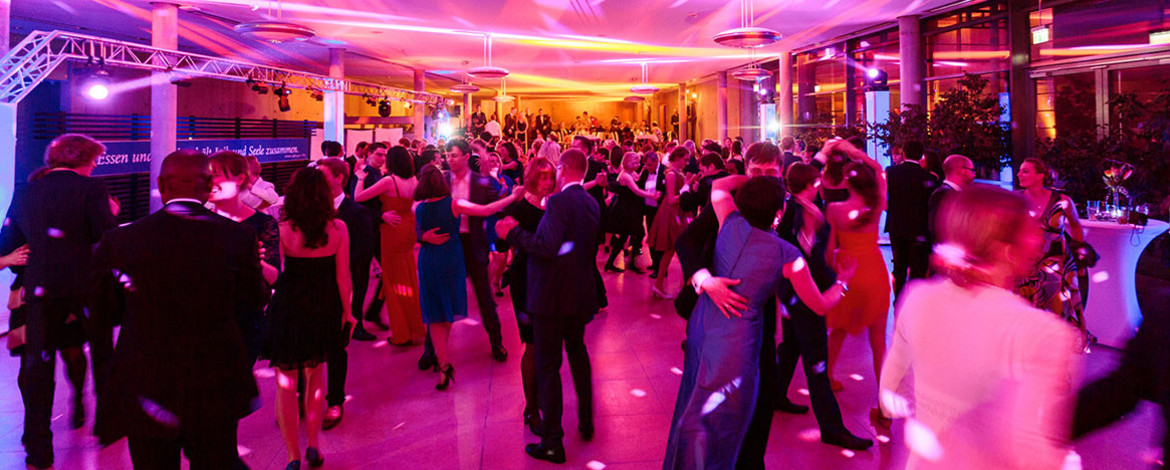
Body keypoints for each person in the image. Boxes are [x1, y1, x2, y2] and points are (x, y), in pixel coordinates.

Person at [89, 149, 270, 470]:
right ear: (208, 186)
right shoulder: (236, 236)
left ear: (161, 184)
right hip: (214, 376)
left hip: (147, 378)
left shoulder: (120, 239)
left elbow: (104, 312)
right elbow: (255, 300)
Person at [880, 185, 1080, 470]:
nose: (1038, 238)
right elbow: (1026, 450)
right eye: (1030, 229)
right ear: (1006, 251)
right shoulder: (1039, 331)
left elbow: (889, 388)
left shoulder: (918, 296)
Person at [662, 174, 854, 470]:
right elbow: (818, 304)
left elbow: (719, 186)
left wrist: (752, 178)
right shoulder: (788, 255)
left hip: (704, 327)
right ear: (778, 213)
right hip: (738, 342)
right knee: (726, 425)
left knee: (692, 408)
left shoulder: (729, 221)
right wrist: (842, 283)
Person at [0, 134, 116, 469]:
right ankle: (106, 426)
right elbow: (102, 234)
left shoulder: (25, 190)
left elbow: (8, 239)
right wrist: (110, 213)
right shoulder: (93, 189)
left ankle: (38, 447)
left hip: (41, 288)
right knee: (102, 357)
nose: (94, 167)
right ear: (83, 159)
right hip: (87, 286)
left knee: (38, 367)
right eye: (93, 161)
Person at [496, 148, 600, 464]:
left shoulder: (557, 202)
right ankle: (586, 419)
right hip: (578, 294)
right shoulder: (591, 202)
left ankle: (553, 441)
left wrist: (511, 233)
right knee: (579, 354)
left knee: (548, 364)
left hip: (551, 297)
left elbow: (546, 247)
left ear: (564, 170)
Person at [773, 163, 873, 451]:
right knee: (817, 362)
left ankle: (776, 395)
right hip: (805, 293)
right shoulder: (802, 210)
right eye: (816, 180)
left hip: (793, 291)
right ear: (810, 183)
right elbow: (804, 254)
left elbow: (807, 250)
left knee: (791, 345)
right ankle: (832, 428)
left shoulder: (800, 206)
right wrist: (838, 281)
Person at [264, 167, 356, 470]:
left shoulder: (284, 228)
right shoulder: (338, 228)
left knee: (285, 384)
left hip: (290, 305)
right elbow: (344, 277)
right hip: (324, 305)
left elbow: (278, 276)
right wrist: (348, 312)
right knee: (316, 378)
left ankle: (292, 456)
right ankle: (314, 445)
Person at [414, 165, 524, 390]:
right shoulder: (454, 204)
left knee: (435, 312)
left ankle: (443, 363)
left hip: (428, 260)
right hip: (450, 258)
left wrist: (423, 236)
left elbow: (410, 232)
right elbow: (487, 210)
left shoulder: (418, 208)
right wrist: (512, 196)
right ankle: (439, 356)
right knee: (447, 310)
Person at [822, 140, 891, 424]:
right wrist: (856, 153)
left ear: (846, 184)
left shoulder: (835, 210)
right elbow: (878, 168)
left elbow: (828, 252)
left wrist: (835, 267)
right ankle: (885, 403)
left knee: (837, 329)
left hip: (849, 272)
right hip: (875, 270)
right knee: (878, 342)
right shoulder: (877, 205)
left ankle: (827, 377)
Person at [317, 158, 378, 430]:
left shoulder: (356, 212)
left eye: (322, 175)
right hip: (314, 285)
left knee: (335, 346)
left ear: (339, 179)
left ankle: (335, 399)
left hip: (344, 283)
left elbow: (364, 249)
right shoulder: (312, 210)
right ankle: (302, 398)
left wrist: (333, 262)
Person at [207, 151, 282, 361]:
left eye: (216, 175)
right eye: (208, 175)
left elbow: (275, 276)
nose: (209, 181)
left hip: (245, 320)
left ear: (240, 178)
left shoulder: (262, 224)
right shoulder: (200, 221)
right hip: (204, 319)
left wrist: (254, 259)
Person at [502, 157, 558, 436]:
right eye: (543, 177)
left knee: (547, 344)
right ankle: (531, 406)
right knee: (533, 345)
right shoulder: (519, 207)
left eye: (551, 177)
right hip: (525, 280)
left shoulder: (556, 205)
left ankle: (543, 401)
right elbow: (499, 240)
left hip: (551, 282)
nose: (548, 182)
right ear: (533, 178)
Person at [356, 146, 425, 345]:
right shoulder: (414, 180)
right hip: (407, 230)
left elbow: (359, 197)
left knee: (392, 282)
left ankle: (401, 333)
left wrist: (360, 178)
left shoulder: (389, 181)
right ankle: (414, 326)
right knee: (409, 278)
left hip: (392, 231)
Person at [1015, 158, 1087, 340]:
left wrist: (1079, 256)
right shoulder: (1016, 199)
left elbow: (1076, 226)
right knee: (1029, 303)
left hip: (1059, 262)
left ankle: (1060, 343)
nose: (1019, 175)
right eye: (1020, 171)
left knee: (1061, 305)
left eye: (1025, 171)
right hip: (1028, 262)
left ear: (1040, 176)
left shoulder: (1062, 200)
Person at [885, 140, 937, 300]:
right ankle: (914, 301)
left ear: (904, 154)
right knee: (917, 267)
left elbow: (886, 199)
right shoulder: (929, 177)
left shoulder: (891, 172)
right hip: (918, 228)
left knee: (899, 265)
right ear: (921, 155)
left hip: (897, 226)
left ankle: (898, 300)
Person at [603, 152, 659, 273]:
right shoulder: (625, 176)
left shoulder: (630, 173)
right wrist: (651, 195)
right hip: (625, 210)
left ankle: (618, 262)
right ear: (630, 163)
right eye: (636, 163)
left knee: (626, 236)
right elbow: (636, 190)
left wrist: (642, 171)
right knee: (637, 234)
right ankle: (633, 261)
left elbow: (637, 179)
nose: (638, 164)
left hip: (630, 209)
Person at [648, 147, 691, 299]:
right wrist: (686, 189)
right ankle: (678, 286)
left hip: (676, 212)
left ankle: (661, 285)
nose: (687, 163)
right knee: (677, 248)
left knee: (671, 250)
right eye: (685, 160)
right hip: (673, 213)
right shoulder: (672, 173)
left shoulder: (674, 172)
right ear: (677, 157)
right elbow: (672, 199)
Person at [927, 155, 976, 244]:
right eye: (972, 170)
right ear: (961, 170)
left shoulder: (956, 193)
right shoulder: (943, 195)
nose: (974, 174)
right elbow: (938, 230)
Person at [636, 151, 666, 277]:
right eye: (646, 165)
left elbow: (666, 190)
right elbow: (639, 186)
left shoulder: (664, 171)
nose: (647, 167)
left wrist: (660, 195)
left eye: (649, 165)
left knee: (660, 239)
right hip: (649, 209)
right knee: (651, 237)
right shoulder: (645, 172)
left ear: (655, 162)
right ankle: (654, 262)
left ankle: (661, 268)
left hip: (660, 210)